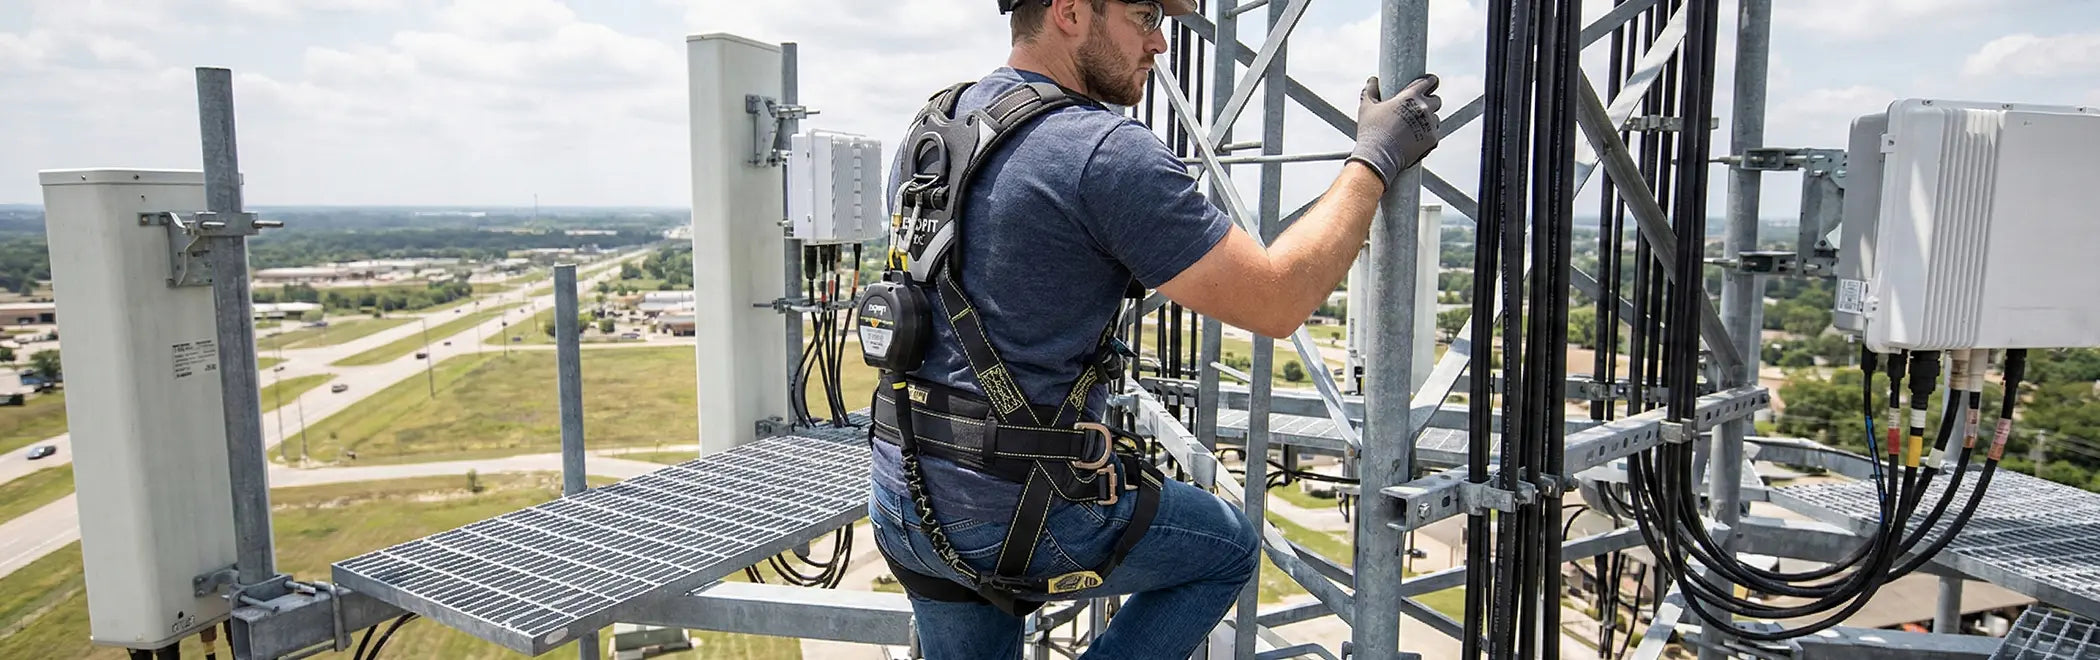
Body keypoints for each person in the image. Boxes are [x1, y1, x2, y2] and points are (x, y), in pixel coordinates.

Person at [865, 0, 1444, 657]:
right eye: (1143, 15)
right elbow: (1279, 298)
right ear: (1070, 10)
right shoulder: (1102, 151)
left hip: (905, 493)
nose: (1161, 43)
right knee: (1225, 548)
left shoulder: (937, 125)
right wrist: (1373, 160)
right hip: (1015, 514)